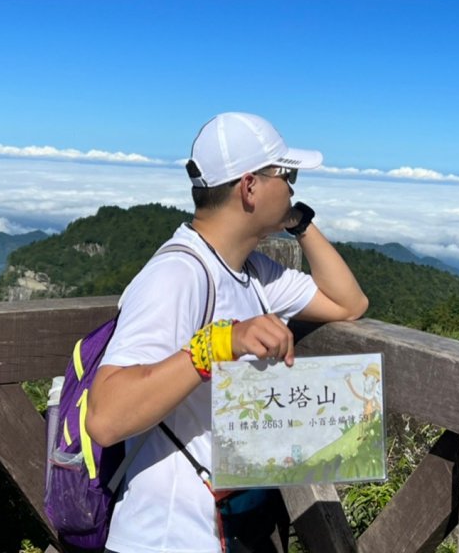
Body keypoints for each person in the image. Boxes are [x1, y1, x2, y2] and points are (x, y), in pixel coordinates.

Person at [86, 112, 369, 553]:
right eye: (287, 174)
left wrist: (300, 222)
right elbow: (105, 418)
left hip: (229, 525)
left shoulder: (253, 270)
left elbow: (348, 303)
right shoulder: (177, 274)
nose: (294, 187)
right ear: (249, 186)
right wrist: (219, 343)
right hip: (166, 534)